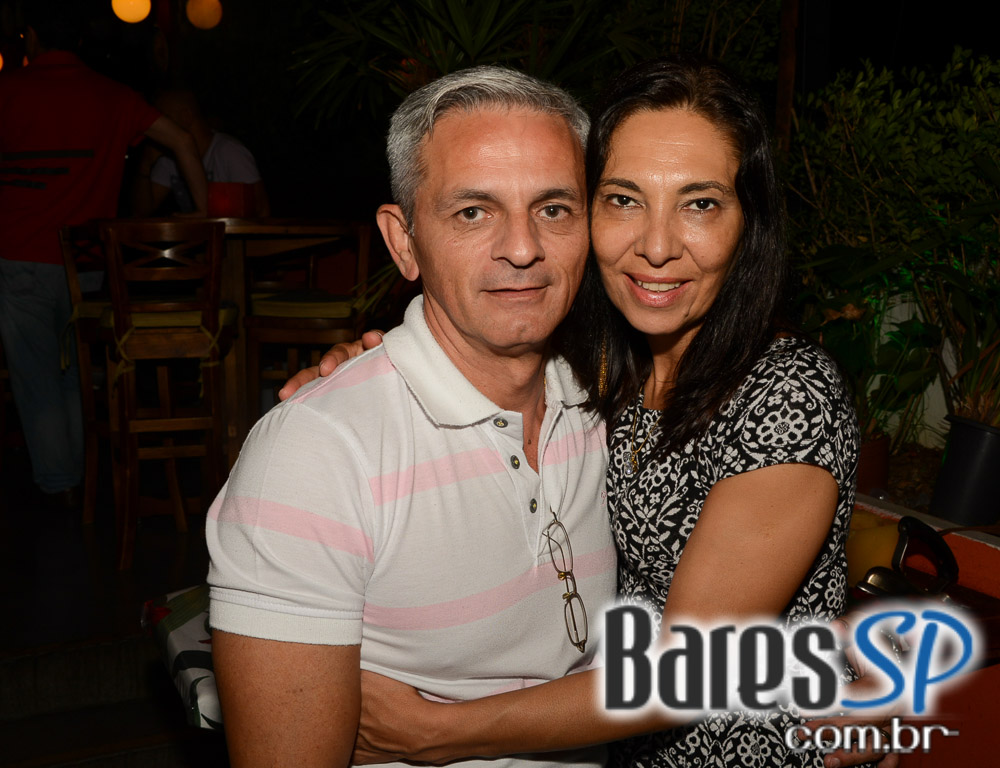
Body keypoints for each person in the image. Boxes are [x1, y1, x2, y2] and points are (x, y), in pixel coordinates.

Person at [288, 57, 882, 768]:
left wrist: (436, 732)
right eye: (624, 200)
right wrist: (365, 377)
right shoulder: (599, 367)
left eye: (699, 204)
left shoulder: (785, 394)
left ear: (747, 225)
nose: (656, 246)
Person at [206, 66, 619, 768]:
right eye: (473, 212)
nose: (523, 247)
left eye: (554, 209)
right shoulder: (316, 456)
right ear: (403, 242)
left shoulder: (611, 407)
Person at [0, 0, 207, 506]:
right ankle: (79, 480)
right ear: (80, 41)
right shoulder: (113, 95)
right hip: (90, 267)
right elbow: (182, 140)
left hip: (19, 255)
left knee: (36, 377)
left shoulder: (8, 90)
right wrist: (205, 218)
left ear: (31, 37)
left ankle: (61, 486)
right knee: (78, 374)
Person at [131, 88, 270, 217]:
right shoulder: (168, 157)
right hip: (196, 235)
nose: (158, 125)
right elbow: (141, 214)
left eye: (164, 117)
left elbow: (262, 208)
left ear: (186, 116)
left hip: (227, 235)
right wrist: (145, 166)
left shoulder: (229, 151)